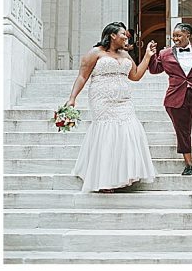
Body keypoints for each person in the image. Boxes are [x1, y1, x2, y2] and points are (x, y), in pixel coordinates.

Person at [67, 23, 157, 192]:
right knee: (107, 135)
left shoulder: (125, 54)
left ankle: (124, 175)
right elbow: (82, 76)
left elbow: (136, 76)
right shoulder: (95, 53)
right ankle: (104, 180)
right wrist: (72, 98)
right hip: (102, 100)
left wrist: (147, 56)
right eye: (123, 34)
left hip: (124, 101)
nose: (126, 37)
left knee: (128, 131)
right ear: (113, 35)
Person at [148, 22, 192, 176]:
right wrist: (152, 54)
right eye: (174, 36)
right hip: (176, 97)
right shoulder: (165, 54)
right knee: (182, 130)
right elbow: (154, 70)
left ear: (188, 35)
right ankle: (188, 164)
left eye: (178, 35)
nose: (175, 38)